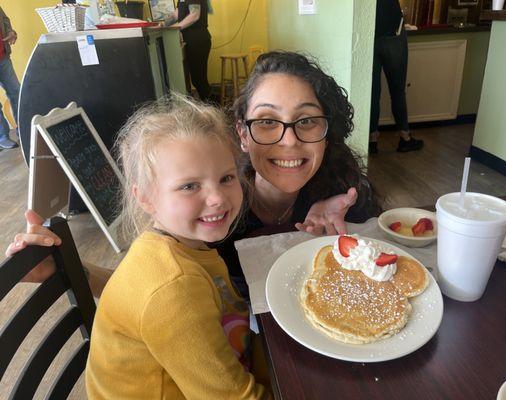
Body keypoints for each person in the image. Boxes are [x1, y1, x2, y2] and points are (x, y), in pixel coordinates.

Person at [6, 51, 380, 299]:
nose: (289, 140)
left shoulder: (341, 192)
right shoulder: (208, 207)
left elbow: (374, 282)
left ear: (327, 132)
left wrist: (354, 237)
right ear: (242, 135)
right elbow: (141, 285)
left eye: (307, 120)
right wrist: (67, 269)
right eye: (267, 121)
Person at [84, 96, 269, 398]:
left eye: (226, 178)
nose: (218, 198)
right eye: (189, 186)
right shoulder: (174, 290)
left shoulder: (178, 245)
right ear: (145, 197)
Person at [369, 0, 423, 154]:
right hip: (393, 32)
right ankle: (405, 137)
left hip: (368, 31)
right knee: (397, 90)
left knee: (372, 93)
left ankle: (372, 139)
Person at [164, 0, 211, 101]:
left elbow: (194, 15)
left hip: (198, 40)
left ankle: (212, 108)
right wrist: (163, 25)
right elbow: (176, 15)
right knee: (196, 79)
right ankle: (208, 105)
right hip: (190, 41)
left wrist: (175, 28)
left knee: (199, 79)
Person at [0, 7, 20, 150]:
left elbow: (4, 20)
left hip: (3, 57)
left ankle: (23, 128)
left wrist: (10, 32)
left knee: (16, 92)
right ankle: (2, 136)